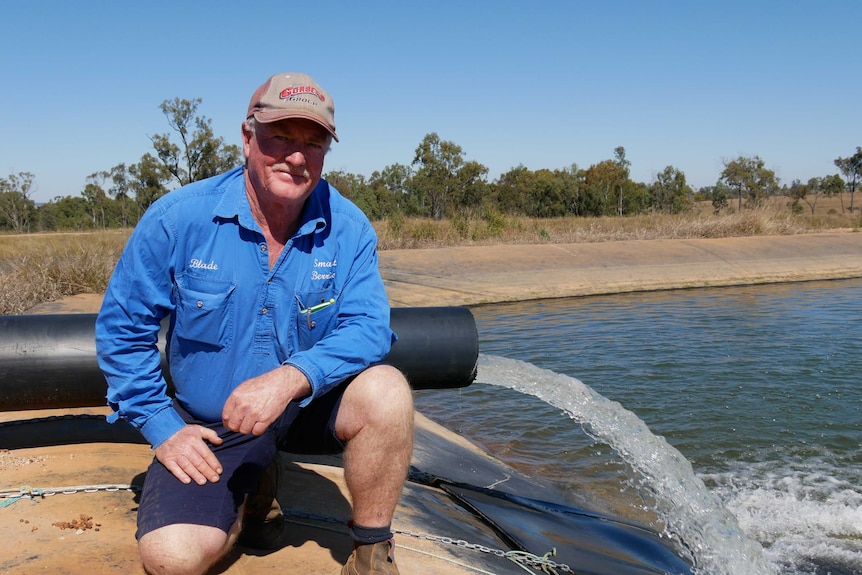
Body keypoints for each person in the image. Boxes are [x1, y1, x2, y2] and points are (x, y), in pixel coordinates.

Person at [95, 72, 413, 575]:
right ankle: (248, 496)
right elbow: (122, 332)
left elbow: (369, 327)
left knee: (387, 391)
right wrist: (164, 427)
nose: (296, 155)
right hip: (214, 424)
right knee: (171, 559)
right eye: (280, 137)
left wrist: (290, 378)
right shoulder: (178, 220)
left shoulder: (349, 227)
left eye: (313, 142)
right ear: (247, 138)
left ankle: (371, 554)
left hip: (309, 403)